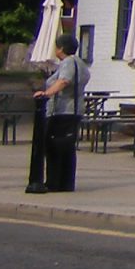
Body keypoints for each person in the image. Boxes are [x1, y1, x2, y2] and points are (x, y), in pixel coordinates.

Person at [34, 33, 89, 193]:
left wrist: (46, 94)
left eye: (57, 47)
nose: (55, 50)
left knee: (55, 146)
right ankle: (66, 182)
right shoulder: (81, 63)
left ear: (62, 48)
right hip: (75, 110)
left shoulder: (68, 62)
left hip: (63, 110)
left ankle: (54, 182)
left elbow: (64, 80)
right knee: (67, 147)